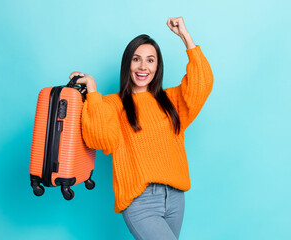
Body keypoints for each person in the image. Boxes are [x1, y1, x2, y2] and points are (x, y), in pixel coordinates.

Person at [69, 17, 214, 240]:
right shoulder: (112, 104)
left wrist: (186, 37)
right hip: (141, 201)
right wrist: (93, 92)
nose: (143, 67)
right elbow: (100, 140)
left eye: (150, 60)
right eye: (136, 59)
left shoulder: (171, 100)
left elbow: (202, 83)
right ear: (127, 63)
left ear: (158, 66)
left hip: (175, 198)